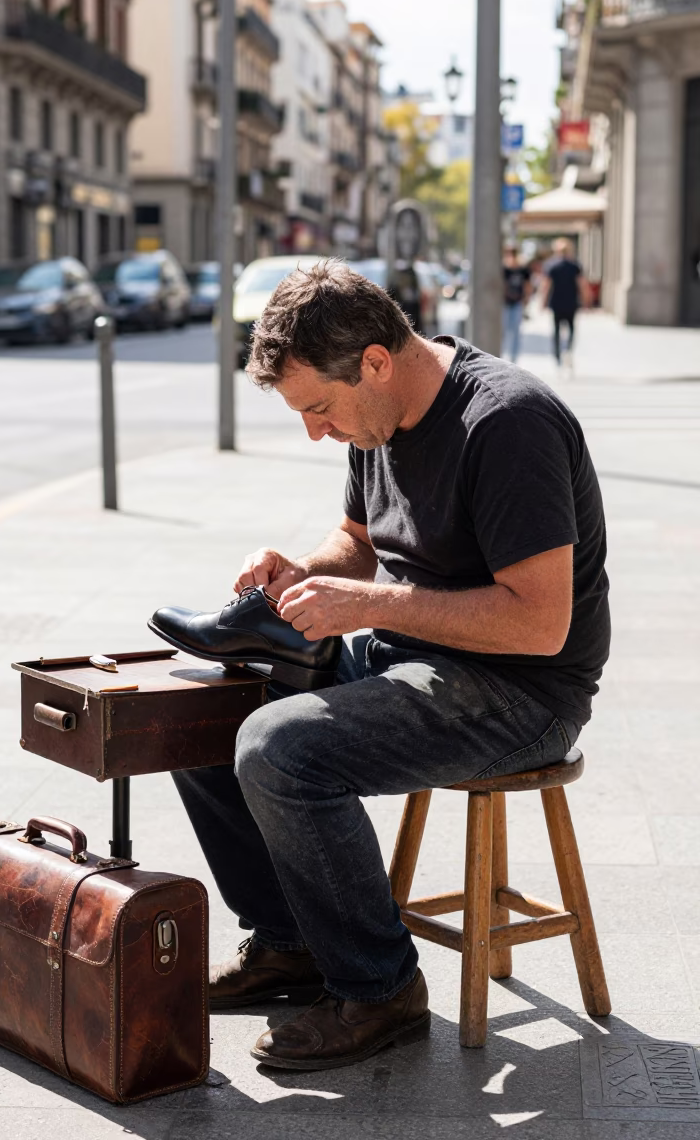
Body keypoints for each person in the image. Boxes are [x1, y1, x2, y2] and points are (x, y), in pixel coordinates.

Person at [171, 260, 610, 1071]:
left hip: (522, 692)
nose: (315, 431)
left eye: (318, 409)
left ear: (375, 361)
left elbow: (541, 623)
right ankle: (292, 942)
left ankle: (381, 991)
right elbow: (363, 543)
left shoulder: (507, 423)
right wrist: (304, 572)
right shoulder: (377, 416)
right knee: (198, 712)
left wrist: (368, 608)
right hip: (414, 655)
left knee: (279, 749)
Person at [540, 238, 588, 368]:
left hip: (556, 303)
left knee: (556, 330)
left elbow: (546, 286)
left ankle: (558, 355)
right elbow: (582, 285)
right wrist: (586, 301)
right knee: (571, 328)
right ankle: (568, 350)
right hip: (571, 302)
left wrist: (543, 302)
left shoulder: (551, 265)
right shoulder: (575, 265)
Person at [502, 245, 531, 364]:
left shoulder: (522, 269)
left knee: (515, 331)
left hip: (517, 303)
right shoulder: (503, 269)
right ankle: (502, 355)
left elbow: (527, 285)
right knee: (503, 330)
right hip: (504, 303)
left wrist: (526, 300)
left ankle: (513, 357)